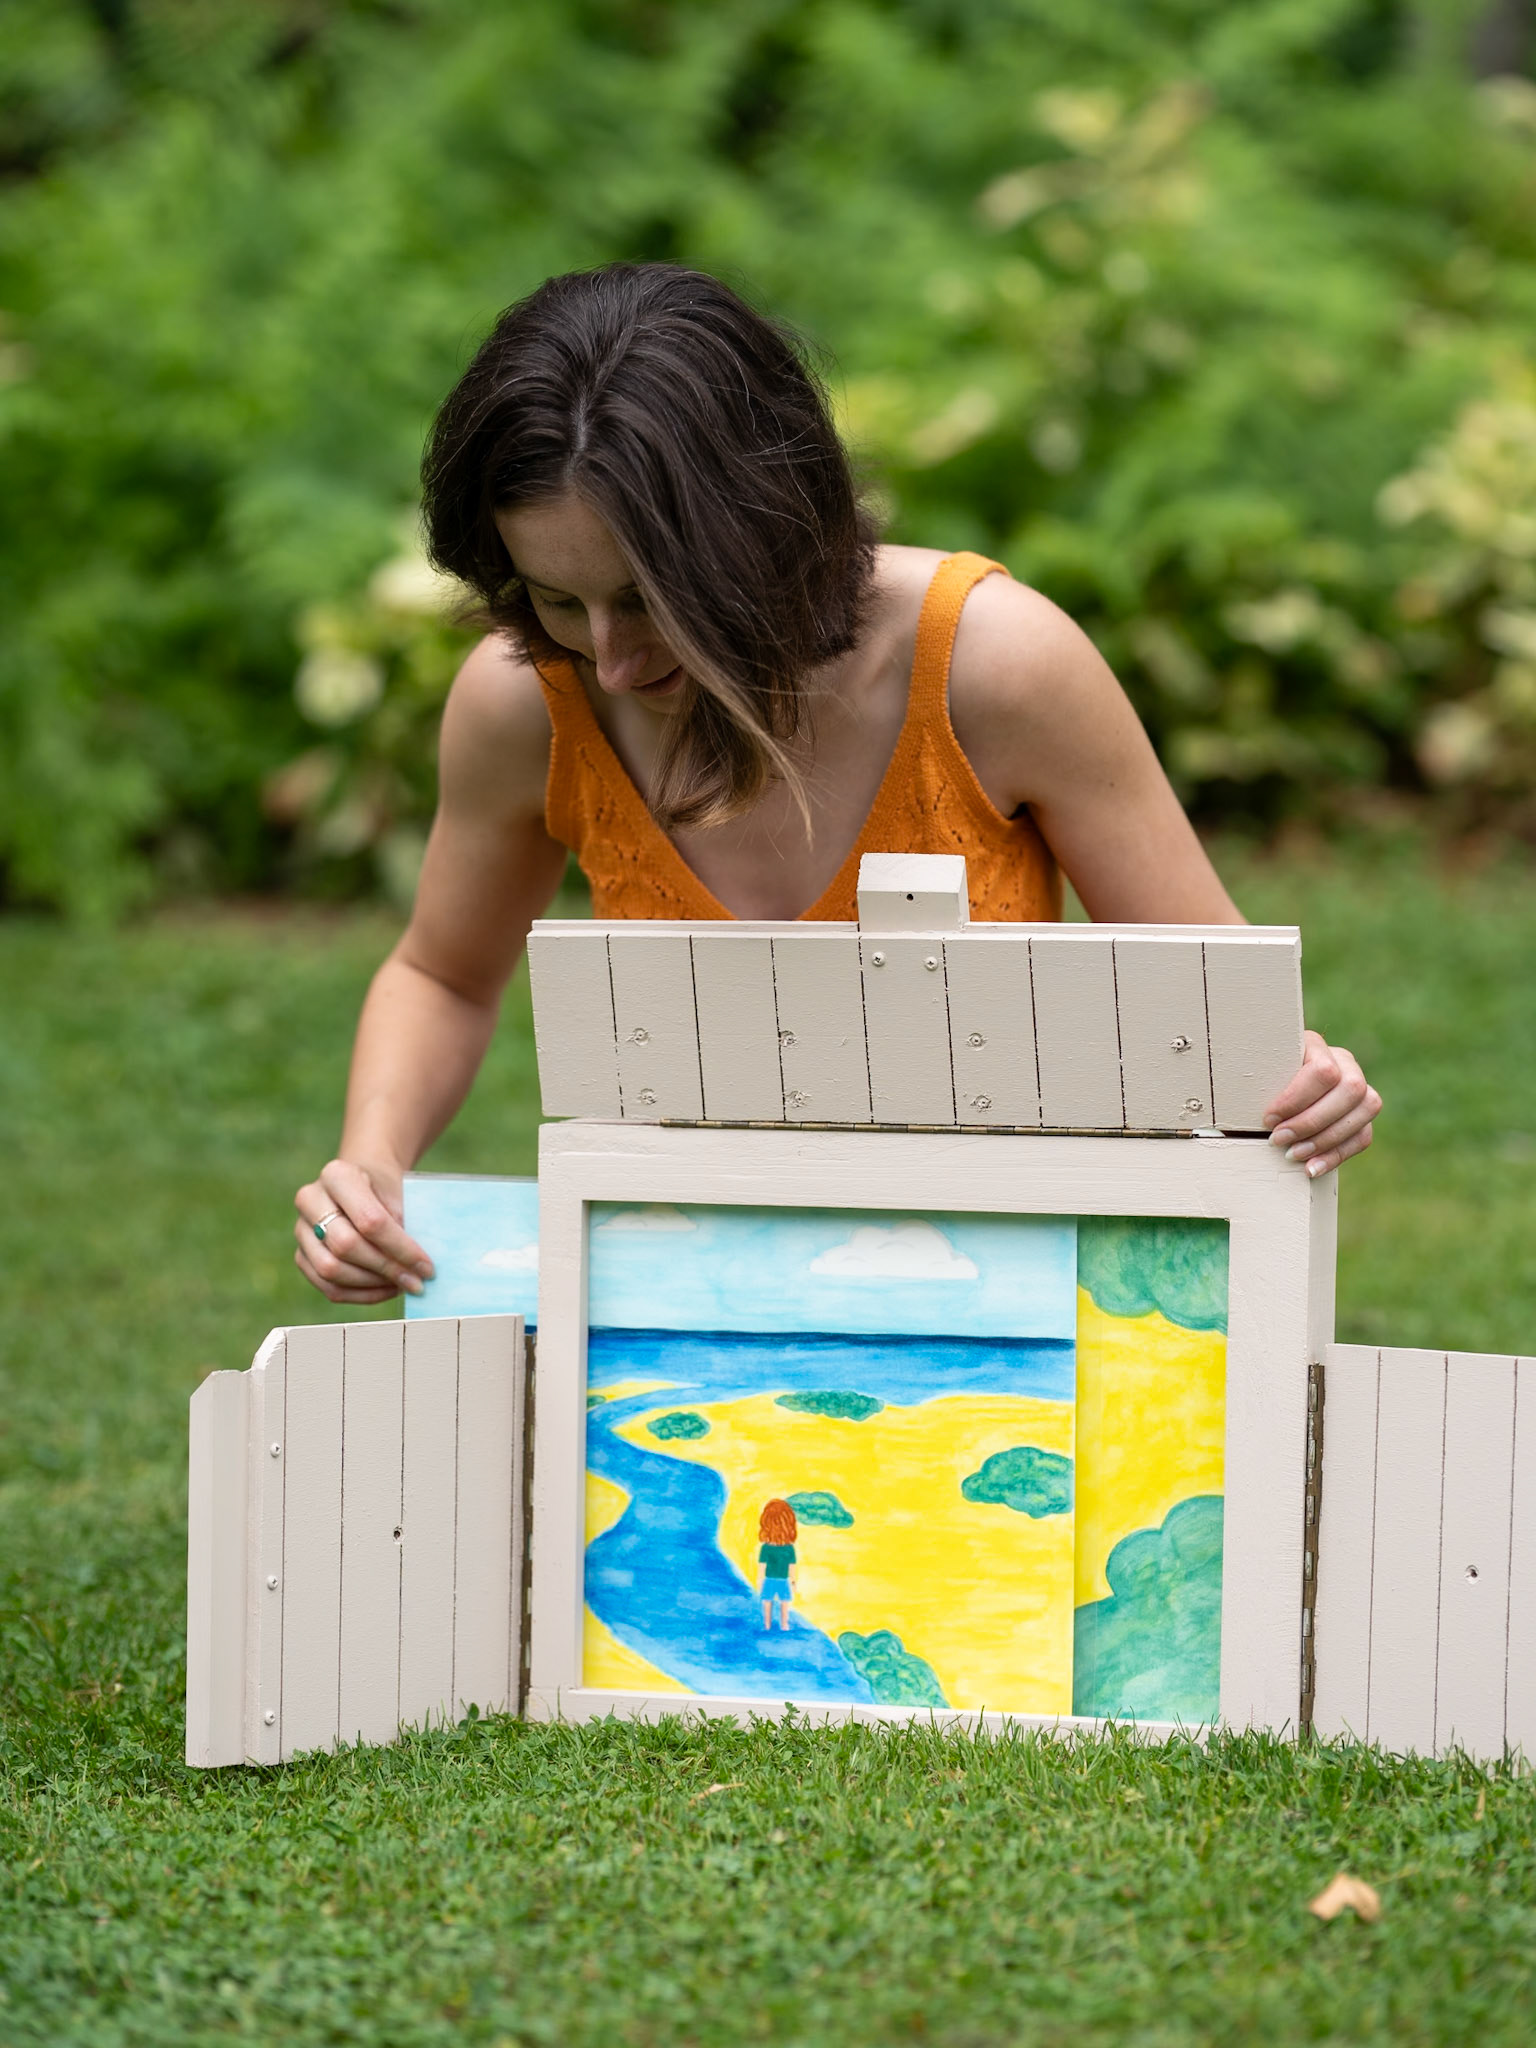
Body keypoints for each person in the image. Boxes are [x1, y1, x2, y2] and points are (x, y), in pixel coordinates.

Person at [293, 263, 1380, 1303]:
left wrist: (1304, 1083)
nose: (611, 661)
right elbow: (443, 974)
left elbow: (1213, 1005)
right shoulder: (524, 702)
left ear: (766, 529)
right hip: (687, 1286)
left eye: (648, 599)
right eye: (559, 601)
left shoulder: (996, 666)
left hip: (1008, 1283)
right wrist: (371, 1161)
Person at [757, 1499, 799, 1631]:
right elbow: (791, 1568)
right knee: (784, 1603)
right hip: (782, 1580)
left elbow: (762, 1567)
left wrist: (759, 1582)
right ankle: (784, 1625)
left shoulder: (766, 1548)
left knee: (768, 1602)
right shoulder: (789, 1548)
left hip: (770, 1580)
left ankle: (768, 1625)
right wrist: (793, 1583)